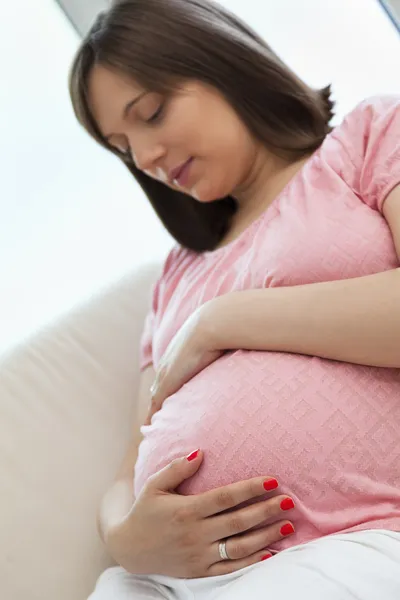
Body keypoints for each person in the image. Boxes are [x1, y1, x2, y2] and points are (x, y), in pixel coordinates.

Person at [69, 0, 400, 598]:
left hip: (353, 540)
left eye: (151, 113)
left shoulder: (368, 138)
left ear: (221, 62)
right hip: (164, 578)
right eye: (123, 147)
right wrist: (125, 537)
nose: (144, 159)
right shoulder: (177, 277)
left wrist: (223, 320)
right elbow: (131, 464)